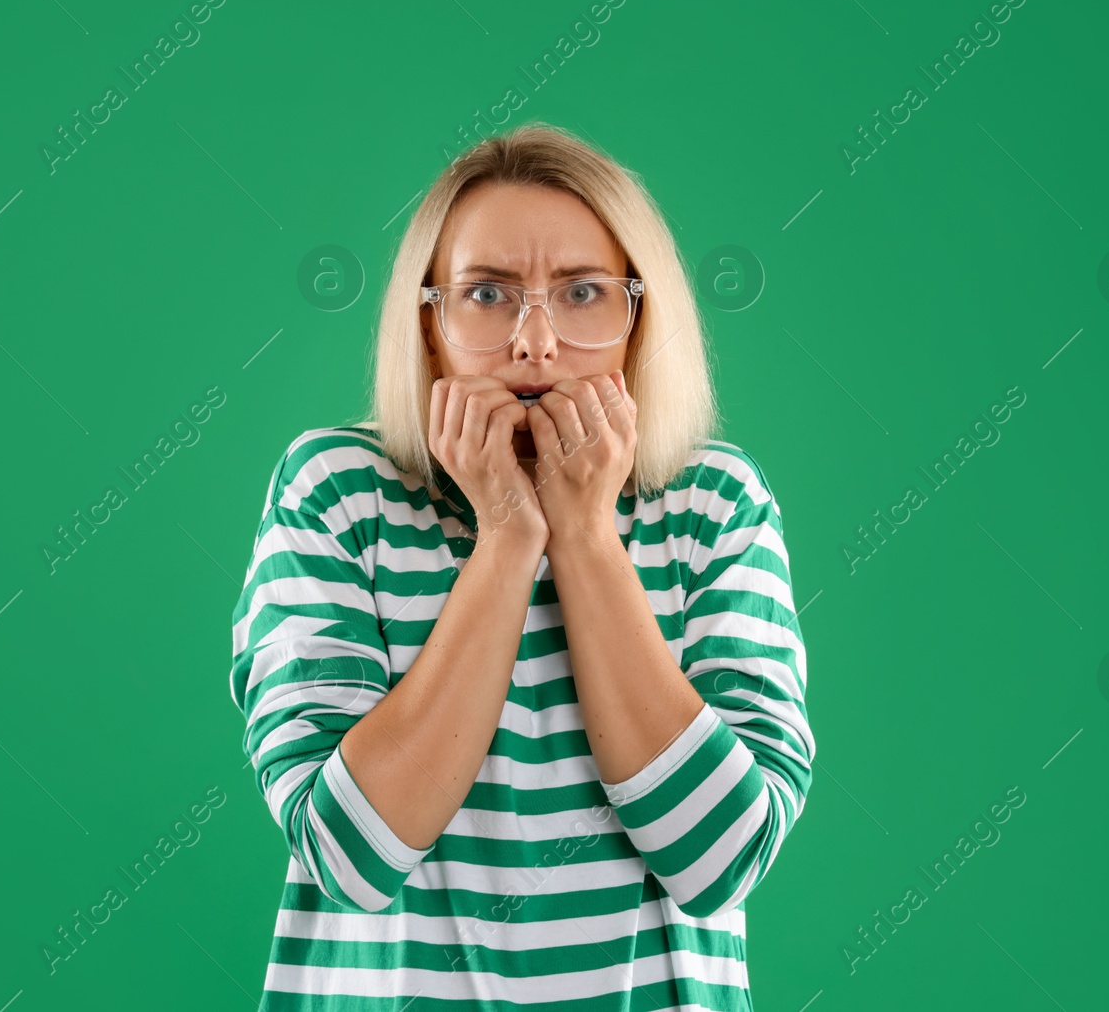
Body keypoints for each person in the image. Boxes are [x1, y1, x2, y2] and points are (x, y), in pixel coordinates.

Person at [229, 122, 815, 1010]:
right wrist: (508, 535)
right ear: (427, 324)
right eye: (488, 293)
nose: (536, 342)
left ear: (639, 317)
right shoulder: (334, 493)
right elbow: (351, 853)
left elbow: (722, 856)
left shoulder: (717, 505)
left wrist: (583, 537)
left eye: (582, 292)